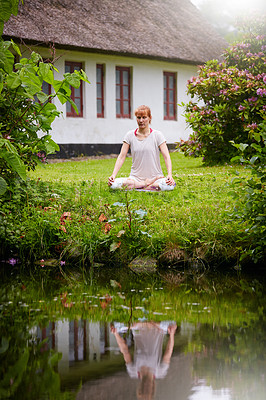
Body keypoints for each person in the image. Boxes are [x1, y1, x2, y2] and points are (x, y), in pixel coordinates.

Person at [108, 105, 176, 191]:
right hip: (135, 179)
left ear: (150, 118)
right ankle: (145, 185)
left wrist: (169, 175)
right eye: (138, 118)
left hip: (156, 178)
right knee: (113, 185)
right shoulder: (130, 135)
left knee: (169, 186)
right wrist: (113, 175)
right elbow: (121, 156)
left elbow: (166, 156)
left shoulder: (157, 135)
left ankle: (139, 187)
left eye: (144, 117)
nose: (141, 121)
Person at [111, 321, 177, 400]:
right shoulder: (160, 371)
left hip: (138, 326)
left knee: (115, 325)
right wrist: (172, 335)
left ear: (139, 388)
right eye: (148, 390)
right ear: (153, 388)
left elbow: (125, 351)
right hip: (157, 327)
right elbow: (168, 351)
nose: (146, 386)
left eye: (143, 390)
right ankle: (149, 320)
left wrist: (115, 334)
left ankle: (144, 320)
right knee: (172, 325)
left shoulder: (133, 371)